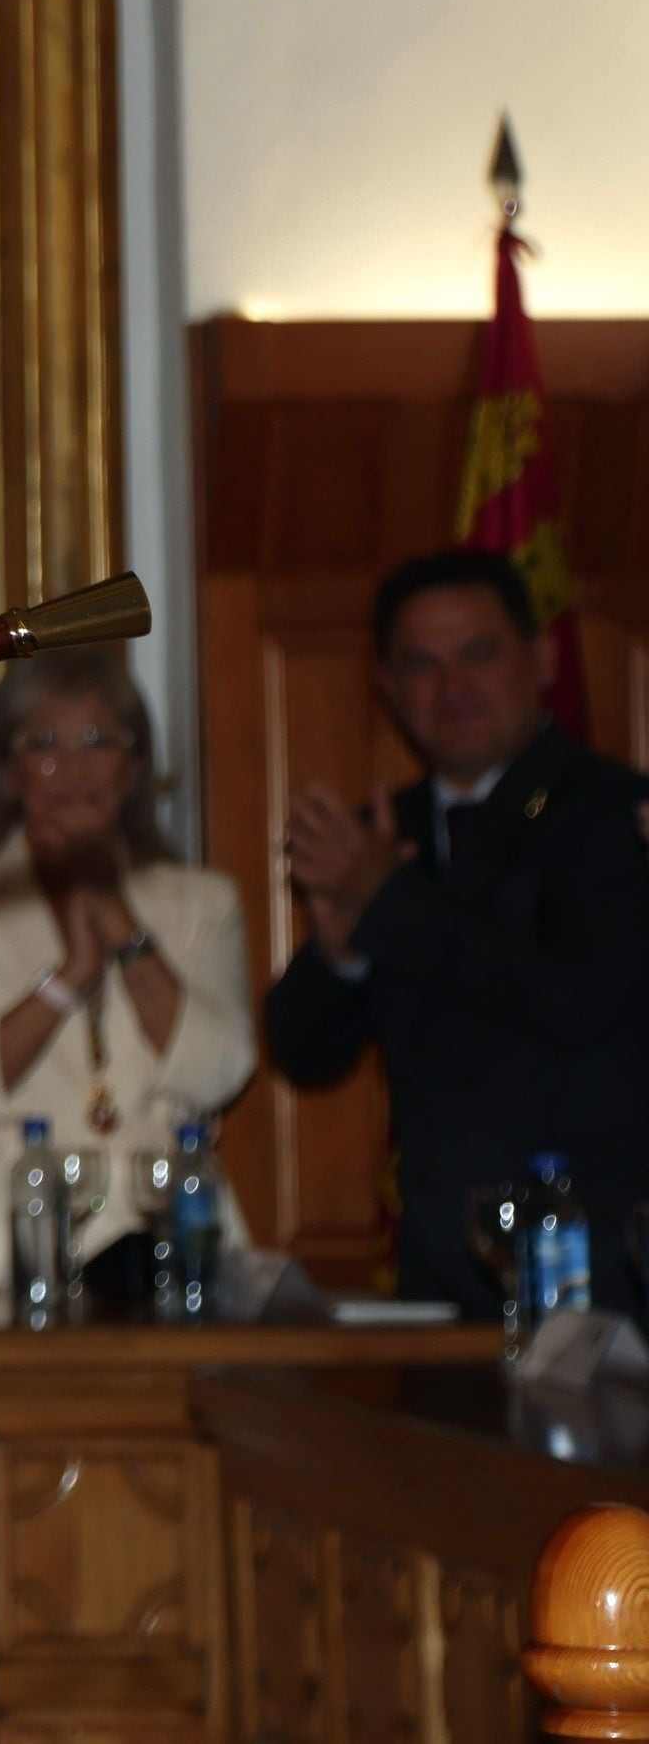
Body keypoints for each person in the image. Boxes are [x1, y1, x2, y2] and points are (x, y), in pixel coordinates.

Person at [266, 546, 649, 1314]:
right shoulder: (388, 828)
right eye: (421, 664)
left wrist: (388, 899)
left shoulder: (609, 811)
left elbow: (572, 1001)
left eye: (478, 654)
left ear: (541, 658)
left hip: (596, 1273)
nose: (454, 689)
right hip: (440, 1276)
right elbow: (302, 1051)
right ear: (387, 688)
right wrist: (342, 946)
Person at [0, 651, 254, 1303]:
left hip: (170, 1228)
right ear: (8, 771)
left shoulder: (204, 902)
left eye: (98, 741)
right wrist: (69, 979)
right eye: (44, 743)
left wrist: (118, 920)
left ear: (135, 766)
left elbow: (221, 1069)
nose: (73, 767)